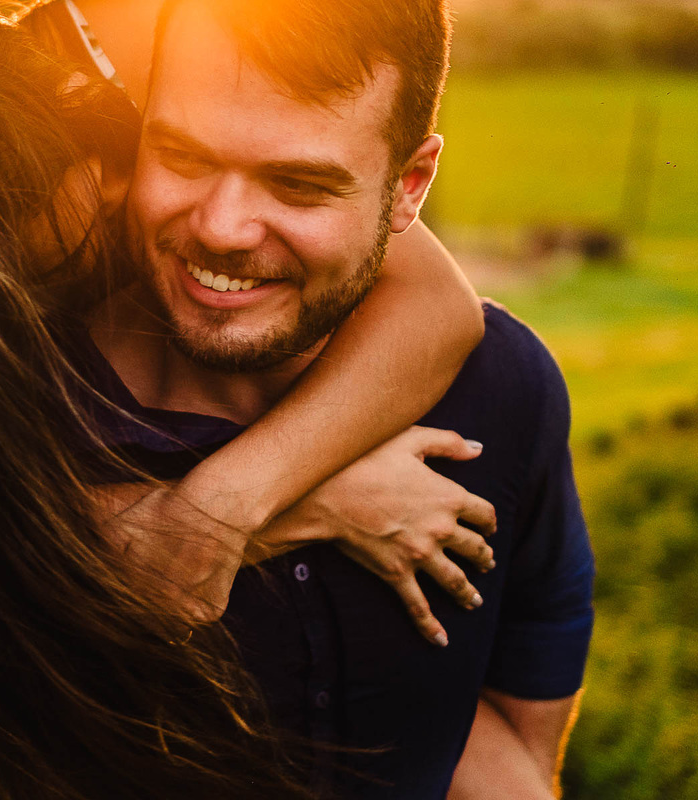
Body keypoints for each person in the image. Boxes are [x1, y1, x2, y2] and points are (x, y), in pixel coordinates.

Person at [0, 7, 500, 798]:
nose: (147, 198)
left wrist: (244, 492)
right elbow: (33, 576)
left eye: (132, 148)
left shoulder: (62, 91)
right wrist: (319, 503)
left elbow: (432, 295)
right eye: (100, 180)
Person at [81, 0, 596, 797]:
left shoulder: (504, 391)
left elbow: (513, 730)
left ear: (409, 187)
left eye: (296, 184)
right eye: (182, 156)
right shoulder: (15, 394)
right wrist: (299, 505)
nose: (222, 227)